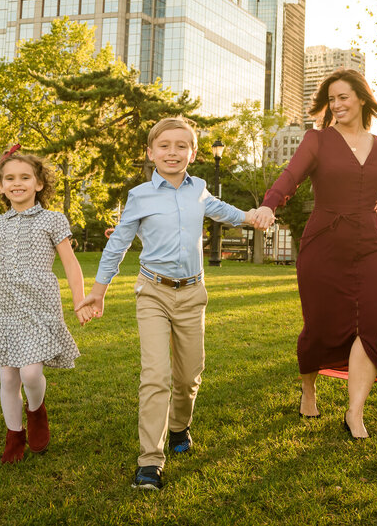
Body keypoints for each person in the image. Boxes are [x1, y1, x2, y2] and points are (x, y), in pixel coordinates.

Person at [79, 117, 263, 491]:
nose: (172, 152)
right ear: (150, 153)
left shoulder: (199, 189)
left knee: (189, 376)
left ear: (193, 154)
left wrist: (250, 217)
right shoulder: (140, 195)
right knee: (156, 376)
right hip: (153, 293)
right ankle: (150, 462)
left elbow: (222, 211)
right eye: (164, 146)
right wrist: (99, 290)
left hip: (192, 294)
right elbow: (118, 243)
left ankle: (180, 425)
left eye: (181, 146)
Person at [255, 69, 377, 440]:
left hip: (371, 247)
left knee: (370, 327)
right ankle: (308, 388)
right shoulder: (317, 140)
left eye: (343, 98)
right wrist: (270, 205)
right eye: (331, 100)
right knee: (318, 327)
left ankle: (355, 412)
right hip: (325, 245)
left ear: (362, 98)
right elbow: (289, 176)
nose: (336, 105)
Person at [0, 149, 94, 463]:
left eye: (25, 177)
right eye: (9, 179)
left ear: (39, 183)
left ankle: (36, 411)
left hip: (40, 305)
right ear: (0, 186)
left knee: (29, 373)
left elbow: (70, 262)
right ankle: (14, 436)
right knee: (8, 378)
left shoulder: (53, 220)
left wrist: (80, 300)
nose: (17, 184)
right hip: (6, 305)